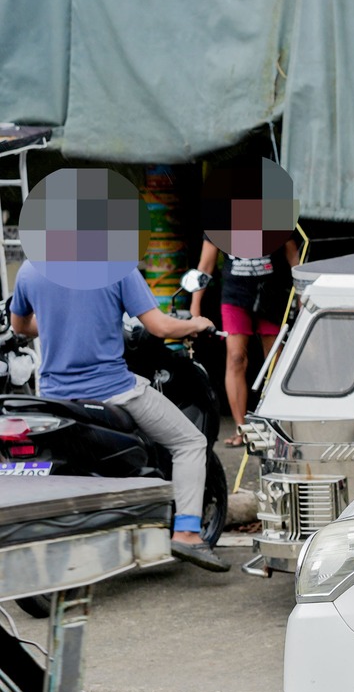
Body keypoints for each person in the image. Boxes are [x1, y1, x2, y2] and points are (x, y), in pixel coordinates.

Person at [10, 261, 226, 571]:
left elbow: (21, 327)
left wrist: (63, 323)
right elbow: (160, 327)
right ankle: (187, 533)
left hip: (55, 397)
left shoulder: (30, 270)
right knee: (190, 442)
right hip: (113, 391)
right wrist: (197, 324)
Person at [187, 236, 298, 438]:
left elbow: (293, 254)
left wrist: (301, 290)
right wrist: (195, 306)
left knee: (277, 360)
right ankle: (241, 429)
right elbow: (205, 266)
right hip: (235, 298)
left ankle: (278, 424)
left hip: (271, 295)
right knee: (236, 358)